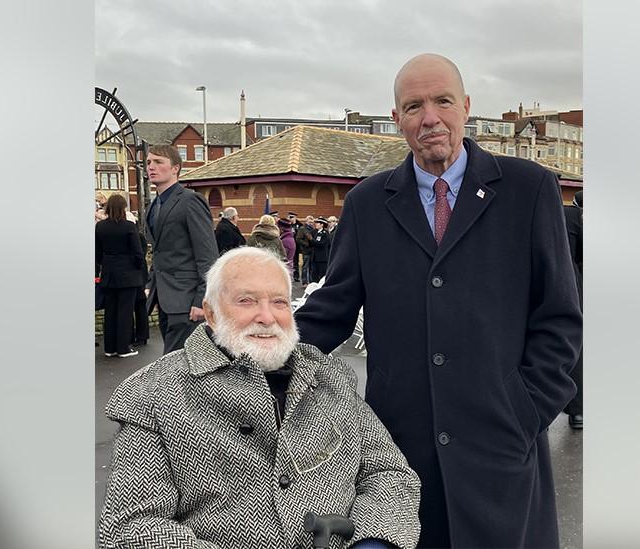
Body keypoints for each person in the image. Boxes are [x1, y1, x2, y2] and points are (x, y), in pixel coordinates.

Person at [295, 53, 582, 548]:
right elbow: (330, 312)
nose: (430, 118)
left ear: (466, 106)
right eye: (414, 106)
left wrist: (526, 409)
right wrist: (236, 347)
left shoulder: (528, 189)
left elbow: (559, 317)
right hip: (400, 452)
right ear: (396, 119)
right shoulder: (367, 204)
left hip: (503, 442)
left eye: (442, 101)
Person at [98, 247, 422, 549]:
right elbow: (130, 526)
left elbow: (390, 474)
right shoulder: (155, 394)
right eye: (247, 301)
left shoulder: (329, 376)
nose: (267, 317)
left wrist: (372, 543)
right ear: (210, 314)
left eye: (279, 302)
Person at [144, 144, 219, 355]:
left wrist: (201, 300)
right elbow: (159, 251)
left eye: (159, 162)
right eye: (149, 162)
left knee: (179, 364)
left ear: (175, 168)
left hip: (187, 301)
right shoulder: (152, 206)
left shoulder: (190, 201)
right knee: (172, 360)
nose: (151, 167)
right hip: (165, 298)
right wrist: (151, 283)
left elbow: (208, 255)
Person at [96, 194, 146, 358]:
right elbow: (138, 253)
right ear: (123, 208)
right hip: (128, 274)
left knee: (110, 311)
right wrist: (138, 268)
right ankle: (123, 347)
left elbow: (96, 253)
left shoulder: (100, 227)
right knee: (125, 311)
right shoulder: (129, 227)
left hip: (109, 274)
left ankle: (109, 348)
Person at [563, 190, 583, 429]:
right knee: (576, 346)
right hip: (570, 284)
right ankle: (577, 412)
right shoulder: (575, 217)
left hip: (530, 282)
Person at [308, 217, 331, 284]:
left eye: (318, 223)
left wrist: (311, 240)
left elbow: (321, 244)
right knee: (314, 274)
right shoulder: (315, 232)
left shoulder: (325, 233)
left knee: (322, 275)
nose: (316, 224)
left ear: (322, 225)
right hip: (315, 257)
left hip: (322, 258)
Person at [295, 215, 316, 284]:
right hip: (306, 250)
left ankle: (311, 281)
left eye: (312, 222)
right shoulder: (302, 229)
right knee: (305, 267)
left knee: (311, 267)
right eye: (310, 222)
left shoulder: (313, 229)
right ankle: (304, 282)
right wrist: (306, 244)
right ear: (306, 221)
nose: (311, 223)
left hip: (312, 250)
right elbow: (298, 239)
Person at [278, 213, 297, 278]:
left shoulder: (285, 241)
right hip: (287, 269)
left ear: (282, 228)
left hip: (285, 271)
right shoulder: (288, 238)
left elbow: (283, 257)